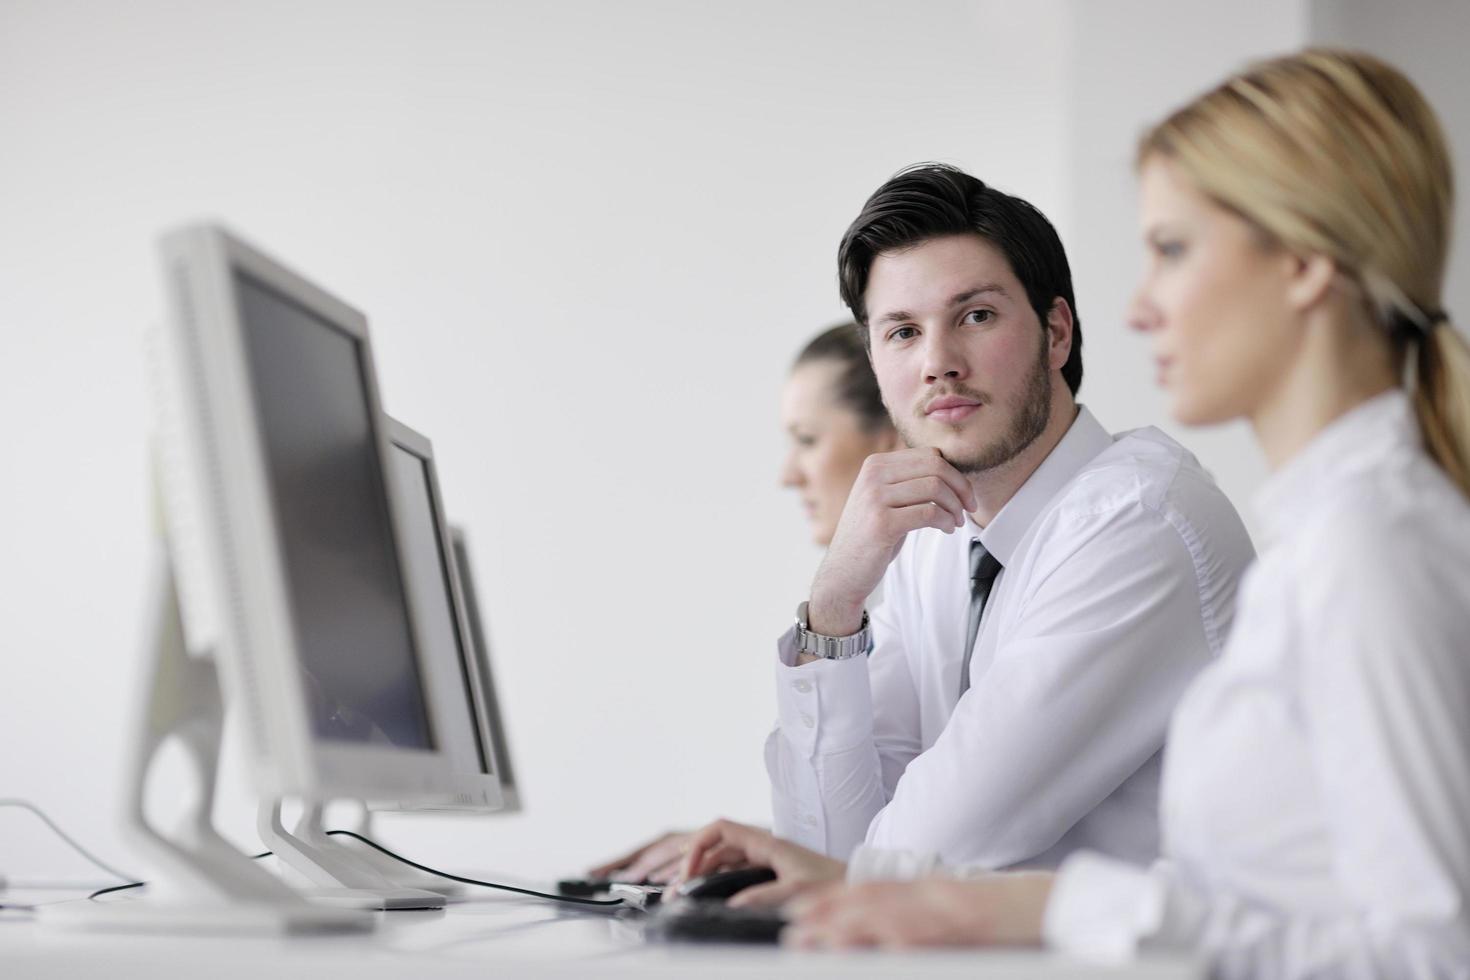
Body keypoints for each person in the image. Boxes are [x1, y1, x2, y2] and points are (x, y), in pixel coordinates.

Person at [686, 49, 1470, 977]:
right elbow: (847, 863)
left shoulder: (1341, 541)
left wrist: (1055, 904)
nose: (1138, 307)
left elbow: (1434, 947)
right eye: (899, 331)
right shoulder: (1331, 535)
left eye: (1173, 250)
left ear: (1303, 266)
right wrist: (833, 608)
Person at [757, 163, 1253, 874]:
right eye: (901, 332)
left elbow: (924, 857)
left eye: (976, 316)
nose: (938, 363)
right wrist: (834, 605)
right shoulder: (936, 537)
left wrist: (822, 879)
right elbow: (828, 854)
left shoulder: (1136, 523)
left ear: (1056, 332)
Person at [587, 324, 899, 884]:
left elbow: (895, 845)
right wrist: (764, 846)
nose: (787, 474)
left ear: (892, 437)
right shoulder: (892, 593)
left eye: (807, 439)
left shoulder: (928, 597)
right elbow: (874, 828)